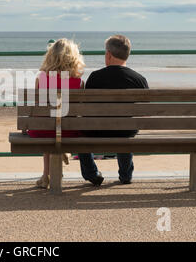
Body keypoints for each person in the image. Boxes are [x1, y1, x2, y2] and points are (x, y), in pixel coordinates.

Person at [79, 35, 149, 186]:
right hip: (126, 131)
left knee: (79, 132)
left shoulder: (95, 77)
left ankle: (92, 173)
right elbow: (144, 112)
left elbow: (86, 109)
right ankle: (125, 175)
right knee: (126, 127)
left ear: (108, 55)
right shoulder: (139, 79)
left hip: (97, 131)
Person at [28, 38, 85, 189]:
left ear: (50, 56)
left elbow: (38, 107)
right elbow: (79, 109)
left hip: (41, 129)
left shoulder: (41, 78)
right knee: (59, 126)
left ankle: (46, 175)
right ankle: (62, 155)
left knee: (49, 126)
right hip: (68, 131)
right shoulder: (78, 81)